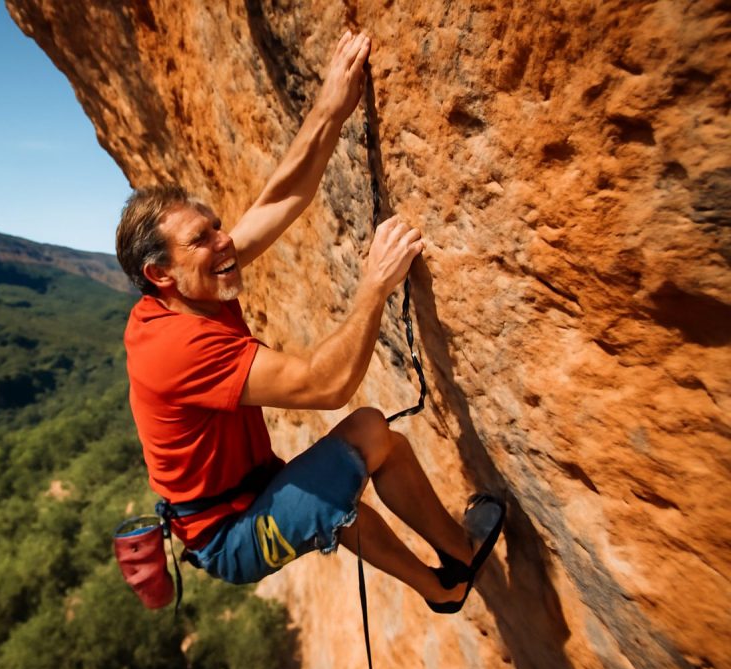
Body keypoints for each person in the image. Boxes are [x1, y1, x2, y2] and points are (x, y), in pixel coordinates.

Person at [116, 30, 504, 612]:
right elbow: (326, 385)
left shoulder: (193, 286)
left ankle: (457, 555)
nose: (225, 242)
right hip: (227, 536)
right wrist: (374, 284)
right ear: (160, 273)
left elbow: (279, 201)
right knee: (361, 441)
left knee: (360, 460)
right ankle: (444, 587)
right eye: (202, 238)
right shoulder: (177, 346)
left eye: (216, 226)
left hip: (250, 490)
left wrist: (330, 108)